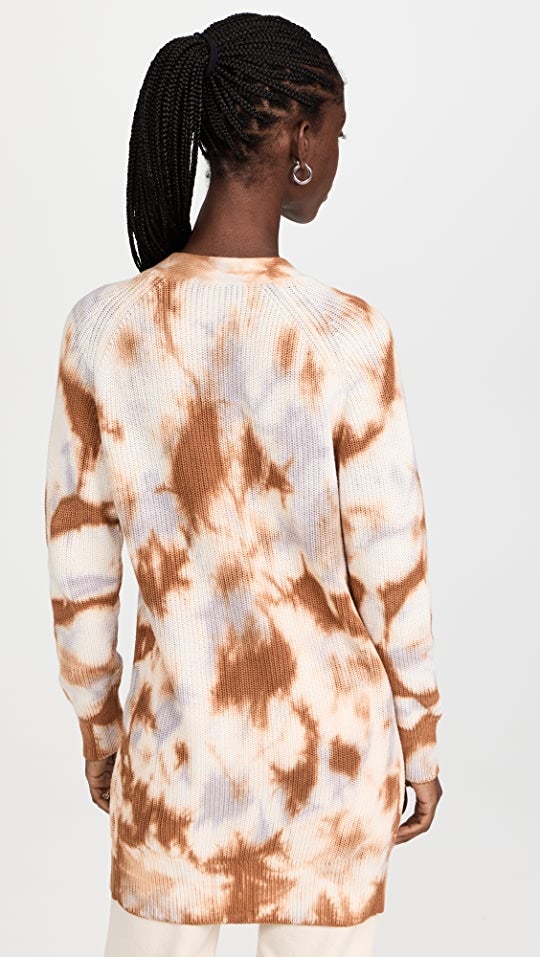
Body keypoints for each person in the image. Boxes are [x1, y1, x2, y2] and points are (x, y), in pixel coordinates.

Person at [44, 12, 443, 957]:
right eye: (335, 133)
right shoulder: (346, 335)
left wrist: (103, 731)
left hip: (174, 764)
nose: (335, 157)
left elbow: (79, 573)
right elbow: (393, 566)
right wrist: (420, 740)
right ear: (301, 137)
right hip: (330, 765)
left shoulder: (103, 329)